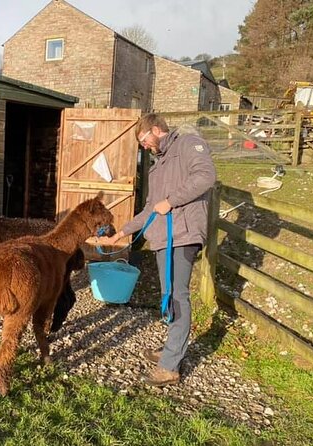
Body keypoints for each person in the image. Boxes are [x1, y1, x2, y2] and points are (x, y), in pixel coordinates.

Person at [97, 113, 216, 386]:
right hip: (164, 237)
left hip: (182, 234)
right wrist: (123, 232)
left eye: (143, 139)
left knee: (177, 296)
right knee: (168, 294)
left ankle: (170, 366)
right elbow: (151, 208)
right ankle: (171, 350)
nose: (143, 146)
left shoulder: (188, 144)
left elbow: (205, 177)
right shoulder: (158, 165)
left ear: (155, 130)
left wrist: (172, 201)